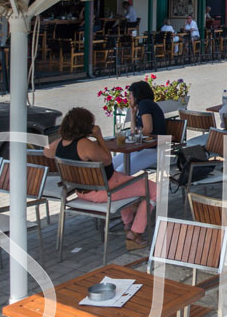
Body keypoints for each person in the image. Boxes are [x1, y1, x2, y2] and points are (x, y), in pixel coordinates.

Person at [44, 107, 156, 250]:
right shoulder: (85, 144)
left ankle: (128, 223)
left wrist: (64, 141)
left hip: (81, 191)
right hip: (104, 191)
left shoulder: (60, 143)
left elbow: (46, 152)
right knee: (154, 189)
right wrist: (99, 137)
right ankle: (134, 233)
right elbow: (107, 159)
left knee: (127, 180)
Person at [114, 80, 166, 174]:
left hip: (154, 149)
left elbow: (147, 129)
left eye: (130, 94)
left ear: (137, 95)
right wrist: (133, 113)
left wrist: (134, 136)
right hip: (144, 147)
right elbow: (134, 132)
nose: (129, 97)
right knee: (111, 164)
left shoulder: (145, 104)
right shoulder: (143, 105)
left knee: (121, 172)